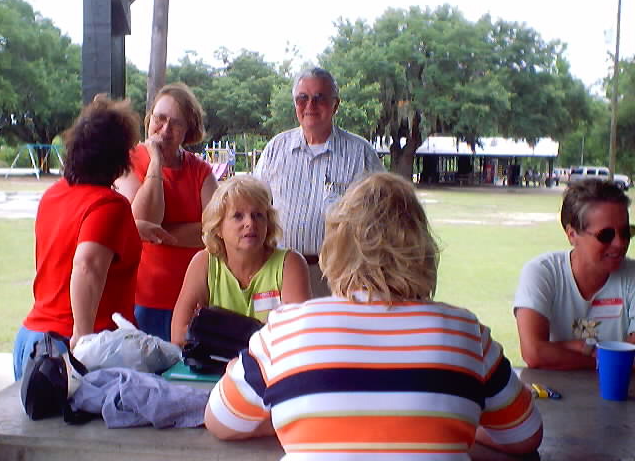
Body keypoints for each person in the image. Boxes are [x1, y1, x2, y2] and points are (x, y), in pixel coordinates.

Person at [205, 172, 543, 459]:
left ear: (336, 244)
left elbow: (220, 420)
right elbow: (525, 435)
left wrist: (296, 415)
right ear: (423, 248)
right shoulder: (466, 333)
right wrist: (466, 421)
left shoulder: (285, 330)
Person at [13, 96, 142, 380]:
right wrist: (82, 339)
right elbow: (87, 266)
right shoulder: (110, 205)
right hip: (70, 348)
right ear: (119, 156)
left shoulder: (53, 195)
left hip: (34, 338)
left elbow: (71, 242)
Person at [254, 67, 384, 297]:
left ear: (335, 104)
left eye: (319, 98)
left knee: (335, 333)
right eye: (302, 98)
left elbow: (383, 216)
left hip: (342, 277)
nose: (310, 106)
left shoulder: (360, 153)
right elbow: (253, 205)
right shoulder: (276, 149)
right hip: (281, 273)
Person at [116, 82, 218, 341]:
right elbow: (144, 220)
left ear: (188, 130)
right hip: (140, 298)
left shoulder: (201, 172)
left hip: (191, 299)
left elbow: (217, 232)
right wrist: (156, 162)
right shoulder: (128, 162)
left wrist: (158, 233)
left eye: (176, 124)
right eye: (160, 119)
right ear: (149, 119)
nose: (165, 130)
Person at [170, 175, 311, 346]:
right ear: (218, 228)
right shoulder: (204, 263)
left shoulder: (290, 263)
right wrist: (259, 334)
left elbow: (297, 335)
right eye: (238, 216)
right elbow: (179, 335)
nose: (250, 223)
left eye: (258, 215)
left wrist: (216, 332)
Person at [514, 178, 635, 370]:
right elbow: (534, 353)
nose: (620, 243)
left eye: (626, 232)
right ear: (572, 234)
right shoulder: (542, 272)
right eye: (606, 235)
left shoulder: (632, 276)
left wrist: (563, 349)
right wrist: (611, 362)